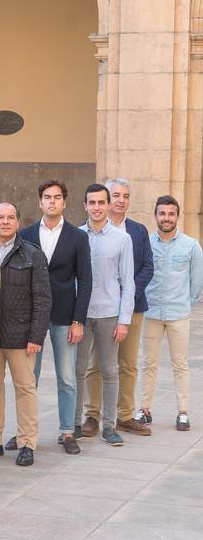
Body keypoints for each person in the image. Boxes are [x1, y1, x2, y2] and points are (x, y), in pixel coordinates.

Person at [0, 203, 50, 466]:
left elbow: (42, 299)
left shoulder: (32, 254)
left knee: (25, 389)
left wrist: (36, 336)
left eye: (10, 218)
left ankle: (26, 442)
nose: (5, 222)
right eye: (0, 218)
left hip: (22, 336)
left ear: (18, 222)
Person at [19, 181, 92, 454]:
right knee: (29, 379)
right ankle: (26, 434)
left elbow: (85, 282)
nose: (52, 202)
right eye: (47, 197)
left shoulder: (77, 237)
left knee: (67, 377)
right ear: (40, 202)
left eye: (57, 197)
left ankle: (67, 432)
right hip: (32, 317)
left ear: (64, 203)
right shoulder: (25, 235)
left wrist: (78, 320)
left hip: (65, 316)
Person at [82, 178, 154, 436]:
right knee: (95, 364)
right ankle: (93, 414)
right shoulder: (86, 232)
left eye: (125, 195)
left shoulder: (136, 231)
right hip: (99, 308)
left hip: (130, 307)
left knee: (127, 364)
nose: (120, 200)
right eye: (116, 195)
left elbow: (147, 266)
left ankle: (124, 415)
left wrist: (126, 293)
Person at [75, 183, 135, 447]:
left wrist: (124, 320)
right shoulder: (75, 236)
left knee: (110, 371)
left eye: (102, 202)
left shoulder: (122, 238)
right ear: (85, 205)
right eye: (92, 203)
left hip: (109, 313)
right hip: (80, 315)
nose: (97, 207)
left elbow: (128, 282)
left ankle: (109, 426)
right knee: (78, 370)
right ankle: (75, 423)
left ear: (108, 205)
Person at [139, 195, 203, 431]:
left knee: (180, 364)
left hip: (178, 313)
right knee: (149, 363)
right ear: (156, 215)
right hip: (152, 312)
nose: (166, 218)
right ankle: (144, 410)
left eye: (171, 214)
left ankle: (183, 412)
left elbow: (197, 282)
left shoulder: (191, 245)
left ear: (177, 216)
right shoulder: (146, 243)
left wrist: (186, 301)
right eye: (162, 213)